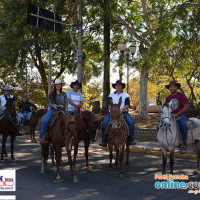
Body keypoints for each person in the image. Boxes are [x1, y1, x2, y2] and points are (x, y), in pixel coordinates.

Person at [99, 80, 136, 147]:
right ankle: (104, 141)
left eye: (119, 85)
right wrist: (113, 110)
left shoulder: (126, 95)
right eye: (117, 85)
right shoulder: (111, 95)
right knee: (104, 123)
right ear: (115, 87)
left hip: (123, 112)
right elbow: (109, 105)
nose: (118, 87)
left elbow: (127, 105)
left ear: (121, 86)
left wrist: (121, 110)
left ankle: (131, 140)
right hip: (112, 113)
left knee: (131, 122)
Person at [39, 79, 67, 143]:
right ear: (54, 85)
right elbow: (49, 103)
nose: (58, 85)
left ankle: (69, 138)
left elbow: (66, 103)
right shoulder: (51, 93)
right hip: (53, 109)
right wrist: (53, 105)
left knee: (69, 121)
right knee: (45, 121)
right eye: (57, 84)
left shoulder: (64, 94)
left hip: (62, 109)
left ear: (61, 85)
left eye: (59, 84)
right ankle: (42, 137)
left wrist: (65, 107)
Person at [165, 80, 189, 154]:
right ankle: (166, 145)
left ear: (176, 87)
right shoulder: (168, 98)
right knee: (161, 126)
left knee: (183, 126)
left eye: (173, 86)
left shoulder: (181, 95)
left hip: (182, 115)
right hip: (171, 116)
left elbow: (186, 107)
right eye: (170, 87)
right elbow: (166, 109)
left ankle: (183, 146)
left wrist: (177, 115)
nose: (171, 88)